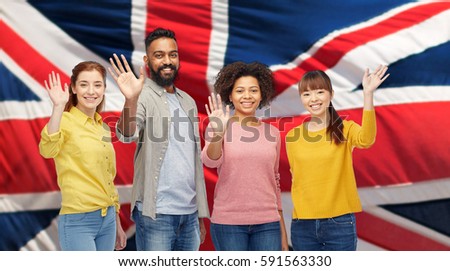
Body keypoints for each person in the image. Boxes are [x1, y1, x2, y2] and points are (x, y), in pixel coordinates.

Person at [108, 27, 209, 251]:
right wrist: (131, 99)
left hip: (190, 215)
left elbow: (192, 161)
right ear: (147, 59)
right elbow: (125, 135)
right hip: (156, 214)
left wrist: (199, 214)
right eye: (159, 55)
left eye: (172, 55)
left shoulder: (188, 101)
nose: (167, 61)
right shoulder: (142, 96)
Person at [285, 65, 389, 251]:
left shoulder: (345, 128)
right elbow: (297, 177)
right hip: (302, 225)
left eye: (319, 91)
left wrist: (368, 95)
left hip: (339, 223)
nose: (313, 99)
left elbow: (366, 139)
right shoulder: (293, 136)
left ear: (331, 94)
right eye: (306, 94)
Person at [39, 61, 127, 251]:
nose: (91, 91)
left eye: (97, 85)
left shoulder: (101, 126)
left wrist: (117, 221)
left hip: (108, 219)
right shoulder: (65, 120)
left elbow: (108, 178)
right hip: (78, 220)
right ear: (73, 88)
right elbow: (47, 150)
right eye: (84, 84)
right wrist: (58, 108)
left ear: (104, 89)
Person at [201, 61, 288, 251]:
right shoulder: (219, 125)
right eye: (240, 91)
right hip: (228, 223)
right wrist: (219, 132)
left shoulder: (272, 133)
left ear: (261, 94)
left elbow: (275, 180)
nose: (247, 96)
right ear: (230, 95)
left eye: (253, 90)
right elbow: (210, 160)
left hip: (268, 223)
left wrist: (282, 228)